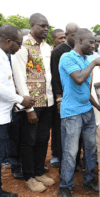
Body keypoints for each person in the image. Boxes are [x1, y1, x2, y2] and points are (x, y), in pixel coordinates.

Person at [11, 13, 55, 193]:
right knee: (28, 141)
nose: (45, 29)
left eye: (47, 26)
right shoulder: (23, 46)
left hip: (48, 101)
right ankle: (29, 176)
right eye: (42, 26)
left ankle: (39, 172)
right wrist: (28, 108)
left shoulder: (47, 47)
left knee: (43, 139)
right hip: (32, 104)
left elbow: (49, 76)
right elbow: (20, 77)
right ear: (31, 26)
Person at [58, 28, 100, 196]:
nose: (93, 45)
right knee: (70, 151)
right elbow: (78, 79)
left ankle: (89, 179)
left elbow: (85, 89)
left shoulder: (86, 58)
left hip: (87, 111)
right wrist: (93, 64)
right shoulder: (67, 57)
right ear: (80, 41)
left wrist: (98, 107)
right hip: (71, 113)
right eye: (91, 42)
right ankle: (65, 187)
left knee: (91, 148)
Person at [0, 24, 35, 197]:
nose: (21, 47)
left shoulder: (4, 56)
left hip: (5, 113)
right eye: (18, 43)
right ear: (8, 41)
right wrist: (21, 99)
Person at [50, 23, 81, 170]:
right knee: (63, 132)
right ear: (68, 35)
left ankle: (76, 162)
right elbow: (55, 78)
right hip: (64, 99)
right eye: (74, 35)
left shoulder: (80, 51)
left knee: (77, 132)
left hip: (78, 99)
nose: (77, 37)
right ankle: (64, 163)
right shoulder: (58, 52)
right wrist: (59, 98)